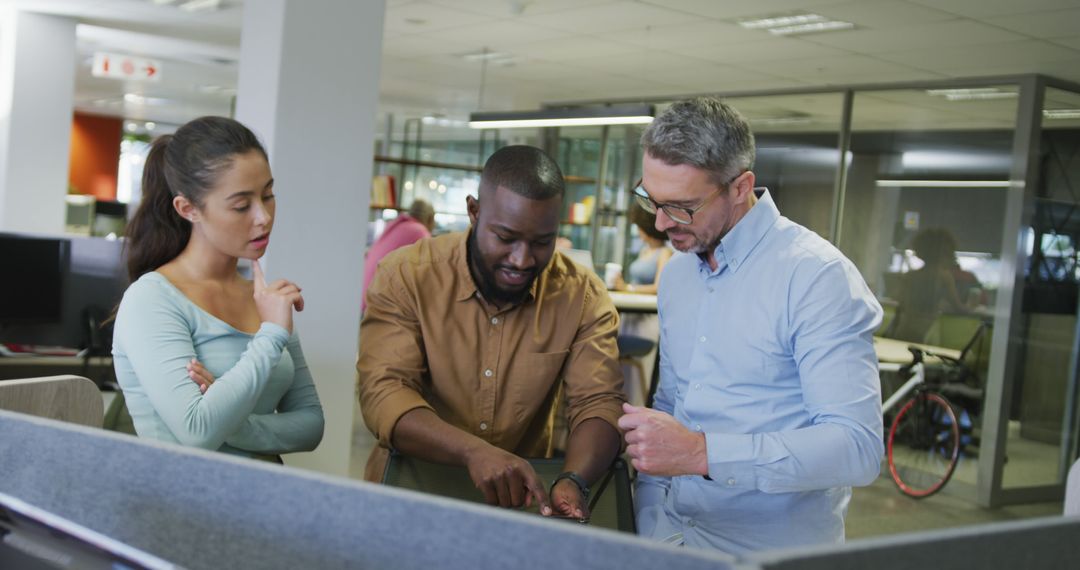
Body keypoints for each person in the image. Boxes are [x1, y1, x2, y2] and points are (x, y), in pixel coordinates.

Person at [617, 97, 884, 554]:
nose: (661, 223)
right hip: (672, 538)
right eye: (651, 200)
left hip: (768, 551)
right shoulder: (678, 272)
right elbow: (673, 403)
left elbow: (856, 447)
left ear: (741, 187)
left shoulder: (816, 276)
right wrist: (650, 520)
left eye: (681, 207)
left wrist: (703, 454)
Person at [358, 145, 625, 520]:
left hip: (519, 505)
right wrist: (473, 451)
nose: (522, 259)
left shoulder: (581, 296)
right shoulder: (408, 275)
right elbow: (384, 393)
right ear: (473, 211)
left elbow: (598, 403)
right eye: (505, 237)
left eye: (541, 242)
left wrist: (573, 479)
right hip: (409, 493)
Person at [112, 116, 324, 462]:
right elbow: (198, 431)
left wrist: (234, 423)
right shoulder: (151, 299)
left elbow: (312, 425)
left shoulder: (265, 300)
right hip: (185, 507)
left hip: (267, 501)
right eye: (242, 205)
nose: (263, 217)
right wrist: (270, 336)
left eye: (268, 195)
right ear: (188, 208)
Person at [890, 227, 982, 343]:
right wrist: (971, 306)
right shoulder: (944, 276)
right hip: (926, 330)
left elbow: (899, 301)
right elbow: (959, 308)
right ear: (945, 252)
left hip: (905, 327)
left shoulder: (910, 275)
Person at [361, 199, 436, 311]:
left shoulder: (396, 225)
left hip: (363, 300)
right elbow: (430, 275)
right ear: (430, 219)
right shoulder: (420, 233)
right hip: (375, 309)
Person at [612, 199, 673, 295]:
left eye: (639, 227)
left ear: (647, 228)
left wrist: (627, 287)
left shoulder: (665, 252)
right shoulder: (644, 250)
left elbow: (658, 288)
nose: (638, 231)